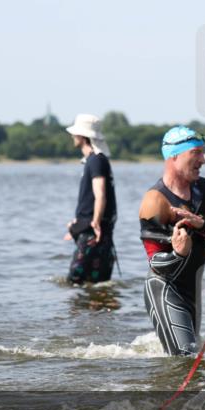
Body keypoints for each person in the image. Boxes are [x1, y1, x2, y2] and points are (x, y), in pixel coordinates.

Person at [139, 126, 205, 356]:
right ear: (174, 156)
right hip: (165, 288)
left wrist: (201, 225)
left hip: (193, 289)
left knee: (194, 355)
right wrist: (179, 254)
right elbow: (155, 262)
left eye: (204, 153)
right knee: (185, 357)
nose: (203, 160)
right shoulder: (155, 201)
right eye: (196, 153)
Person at [64, 114, 117, 284]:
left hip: (93, 231)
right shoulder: (96, 160)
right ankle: (95, 309)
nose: (72, 136)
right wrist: (78, 221)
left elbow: (100, 194)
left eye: (75, 133)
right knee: (96, 282)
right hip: (96, 228)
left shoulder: (95, 161)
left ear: (82, 136)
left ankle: (85, 309)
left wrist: (94, 222)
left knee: (75, 280)